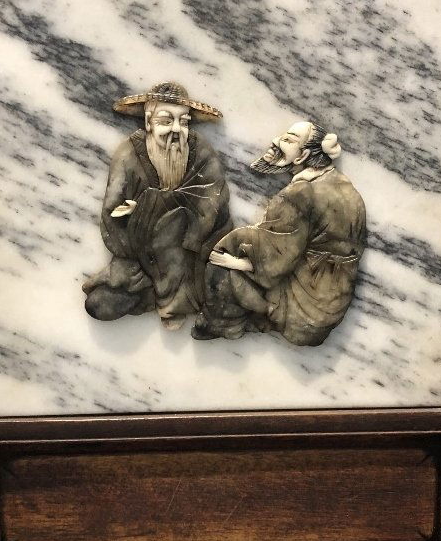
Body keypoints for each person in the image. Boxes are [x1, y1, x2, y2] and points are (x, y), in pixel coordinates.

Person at [192, 120, 366, 346]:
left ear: (303, 156)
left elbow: (276, 259)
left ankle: (225, 326)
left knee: (224, 258)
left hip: (305, 310)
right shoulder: (343, 185)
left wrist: (233, 262)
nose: (275, 141)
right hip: (336, 299)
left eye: (287, 140)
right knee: (245, 240)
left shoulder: (299, 193)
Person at [83, 82, 232, 330]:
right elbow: (112, 212)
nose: (176, 129)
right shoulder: (129, 153)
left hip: (191, 250)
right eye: (166, 121)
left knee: (176, 228)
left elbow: (213, 198)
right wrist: (135, 226)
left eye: (183, 122)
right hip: (139, 251)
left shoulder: (200, 150)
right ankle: (153, 288)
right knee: (99, 303)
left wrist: (153, 205)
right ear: (148, 121)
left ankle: (175, 301)